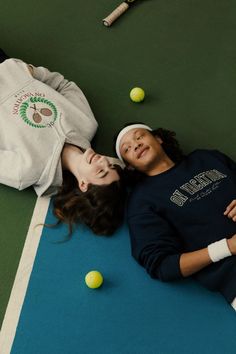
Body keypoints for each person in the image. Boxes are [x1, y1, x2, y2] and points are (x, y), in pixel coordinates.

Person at [0, 49, 126, 236]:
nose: (102, 161)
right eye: (110, 166)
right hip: (6, 64)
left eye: (101, 171)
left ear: (83, 184)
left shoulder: (27, 171)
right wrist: (32, 73)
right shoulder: (86, 125)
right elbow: (64, 85)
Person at [114, 123, 236, 310]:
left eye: (139, 137)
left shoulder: (206, 158)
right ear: (129, 166)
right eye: (127, 149)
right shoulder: (142, 201)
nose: (136, 145)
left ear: (158, 138)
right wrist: (228, 247)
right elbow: (162, 265)